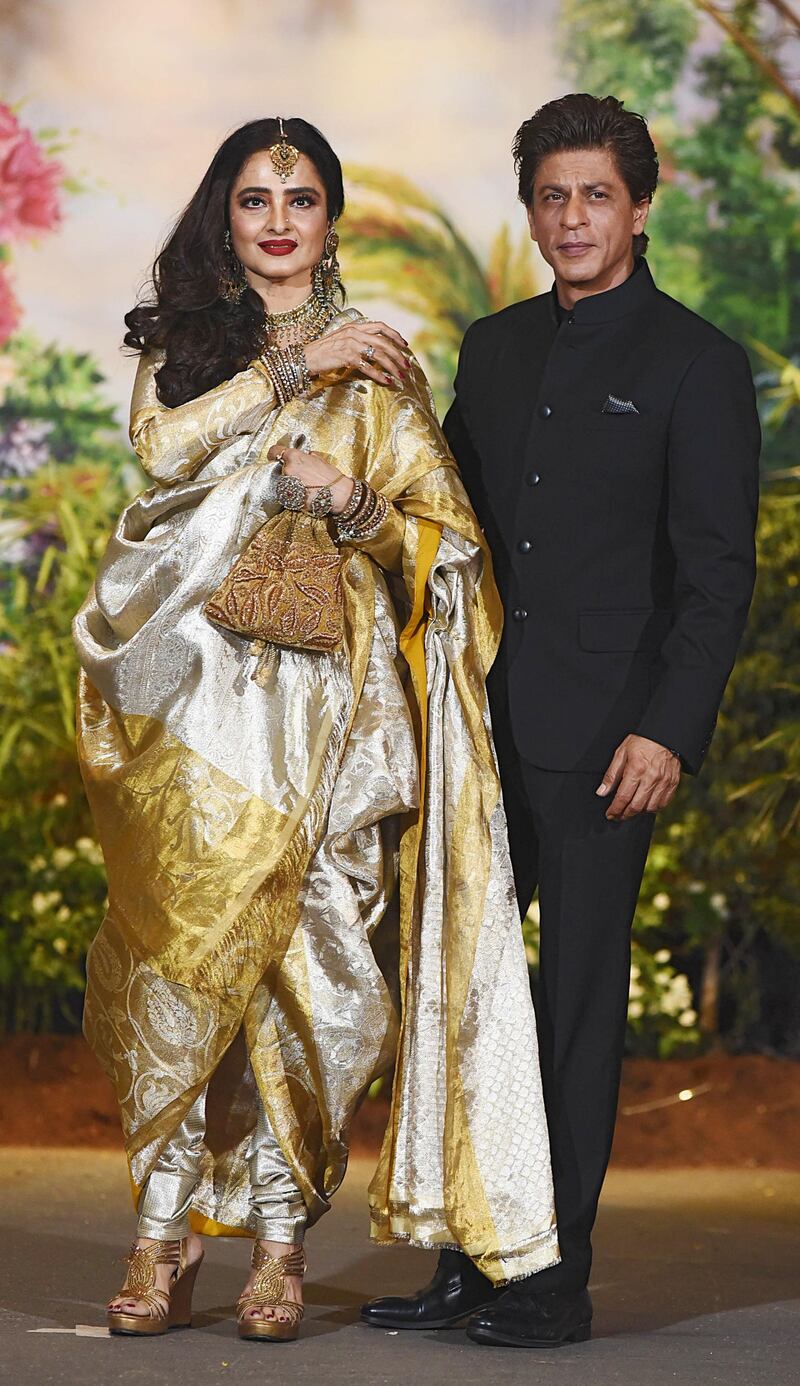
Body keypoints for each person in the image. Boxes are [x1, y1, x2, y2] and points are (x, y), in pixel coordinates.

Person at [73, 116, 559, 1342]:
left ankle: (280, 1246)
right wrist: (292, 369)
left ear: (331, 218)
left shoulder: (380, 367)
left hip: (333, 722)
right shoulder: (184, 350)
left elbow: (440, 544)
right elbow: (157, 454)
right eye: (253, 198)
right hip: (195, 716)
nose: (278, 219)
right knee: (184, 962)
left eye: (300, 197)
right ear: (223, 218)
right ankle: (162, 1229)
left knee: (312, 975)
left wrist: (352, 503)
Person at [361, 93, 760, 1349]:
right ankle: (466, 1261)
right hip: (477, 729)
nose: (570, 217)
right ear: (528, 209)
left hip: (606, 746)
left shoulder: (694, 363)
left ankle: (549, 1280)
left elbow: (713, 578)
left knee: (572, 1010)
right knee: (464, 1001)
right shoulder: (493, 345)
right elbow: (456, 529)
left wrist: (668, 730)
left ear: (638, 208)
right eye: (550, 195)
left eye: (593, 194)